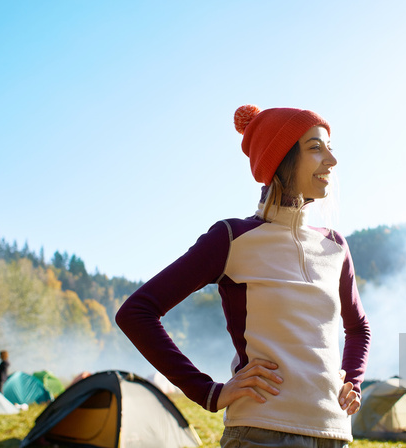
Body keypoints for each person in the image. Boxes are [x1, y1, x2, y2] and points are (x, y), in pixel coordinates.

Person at [116, 104, 371, 447]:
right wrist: (207, 392)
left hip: (333, 433)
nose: (331, 160)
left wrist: (352, 383)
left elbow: (358, 328)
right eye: (315, 147)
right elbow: (137, 312)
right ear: (281, 158)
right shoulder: (232, 238)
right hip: (260, 433)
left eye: (330, 148)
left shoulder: (336, 246)